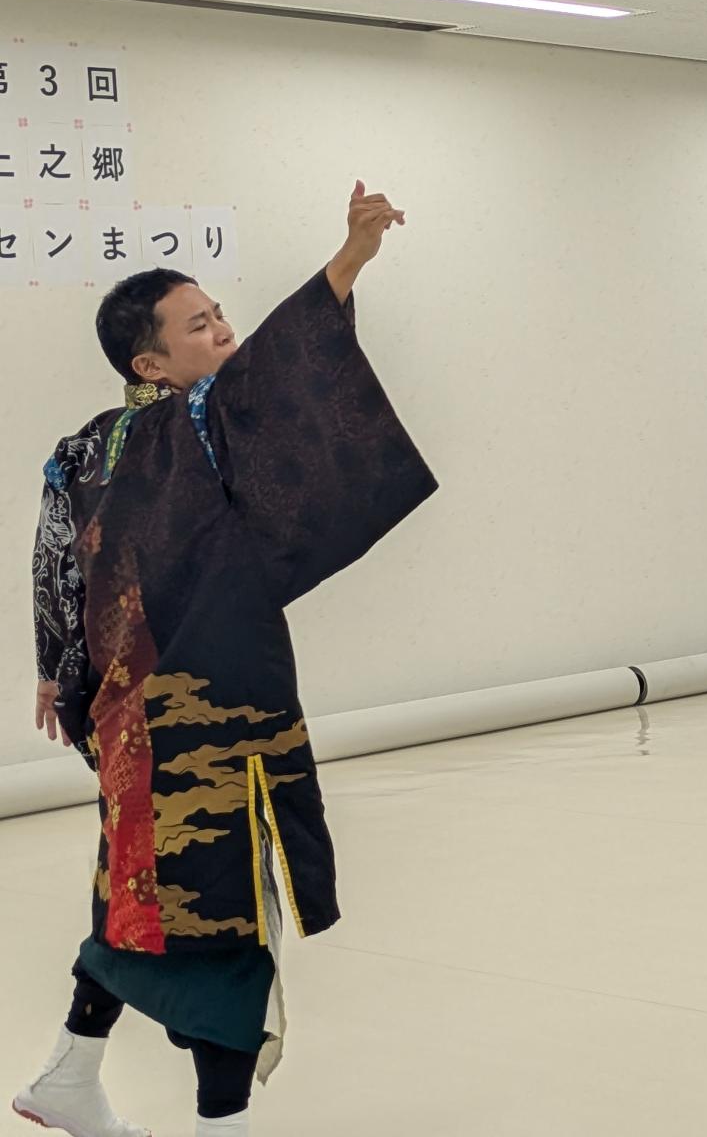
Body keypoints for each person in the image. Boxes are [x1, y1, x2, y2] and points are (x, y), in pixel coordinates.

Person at [15, 184, 437, 1137]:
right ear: (150, 363)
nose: (225, 332)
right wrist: (350, 260)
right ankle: (220, 1124)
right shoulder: (195, 421)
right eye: (200, 326)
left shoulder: (81, 450)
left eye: (220, 314)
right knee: (225, 920)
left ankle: (67, 1076)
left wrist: (54, 668)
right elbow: (283, 369)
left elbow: (53, 563)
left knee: (137, 893)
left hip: (126, 725)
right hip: (212, 724)